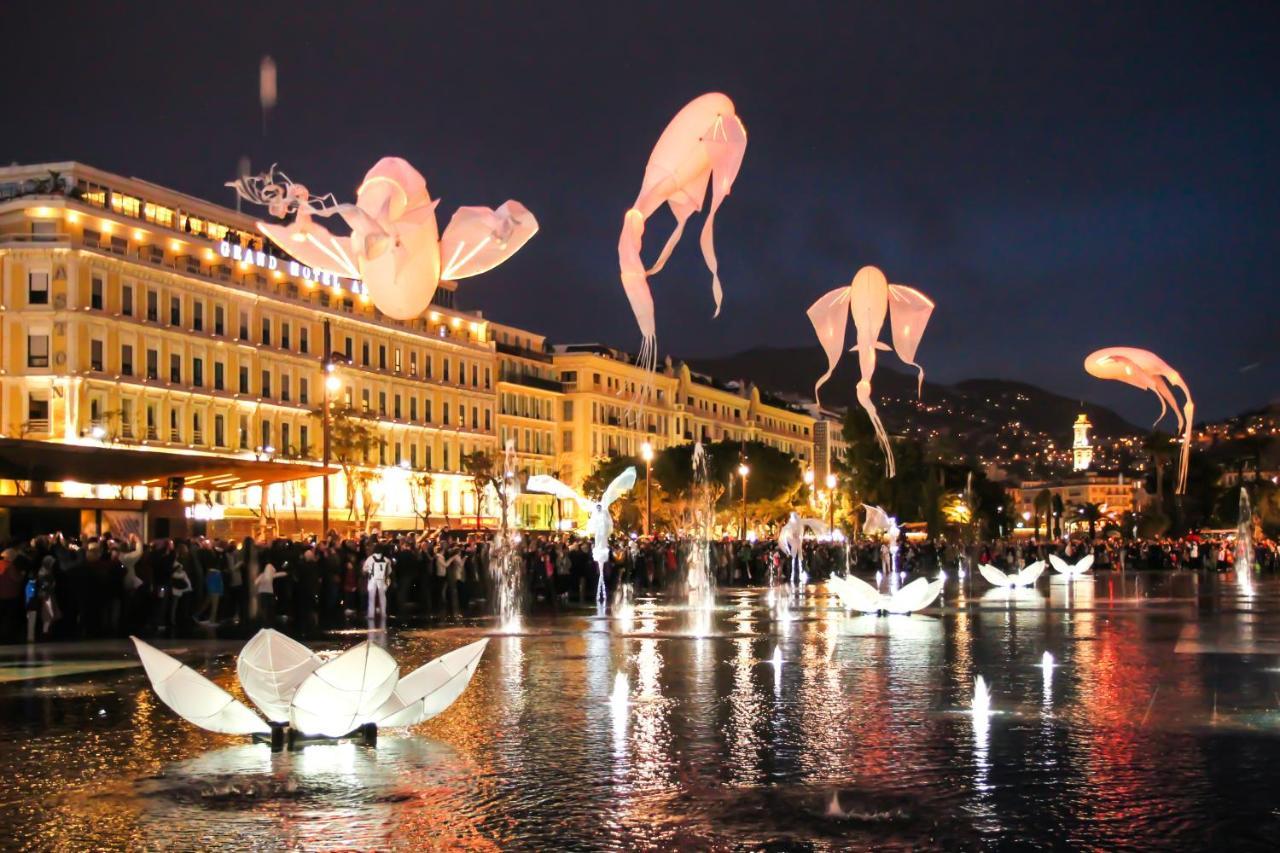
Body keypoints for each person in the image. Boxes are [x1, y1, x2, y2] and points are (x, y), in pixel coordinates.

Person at [363, 548, 393, 624]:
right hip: (382, 580)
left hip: (372, 580)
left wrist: (369, 570)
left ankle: (371, 615)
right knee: (382, 597)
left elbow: (364, 569)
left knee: (371, 597)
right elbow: (389, 571)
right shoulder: (386, 559)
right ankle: (383, 613)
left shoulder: (370, 558)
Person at [256, 560, 287, 627]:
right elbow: (281, 574)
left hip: (262, 593)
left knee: (265, 609)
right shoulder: (271, 575)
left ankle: (265, 624)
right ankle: (269, 624)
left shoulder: (262, 575)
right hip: (269, 593)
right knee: (269, 609)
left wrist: (261, 582)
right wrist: (286, 572)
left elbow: (255, 582)